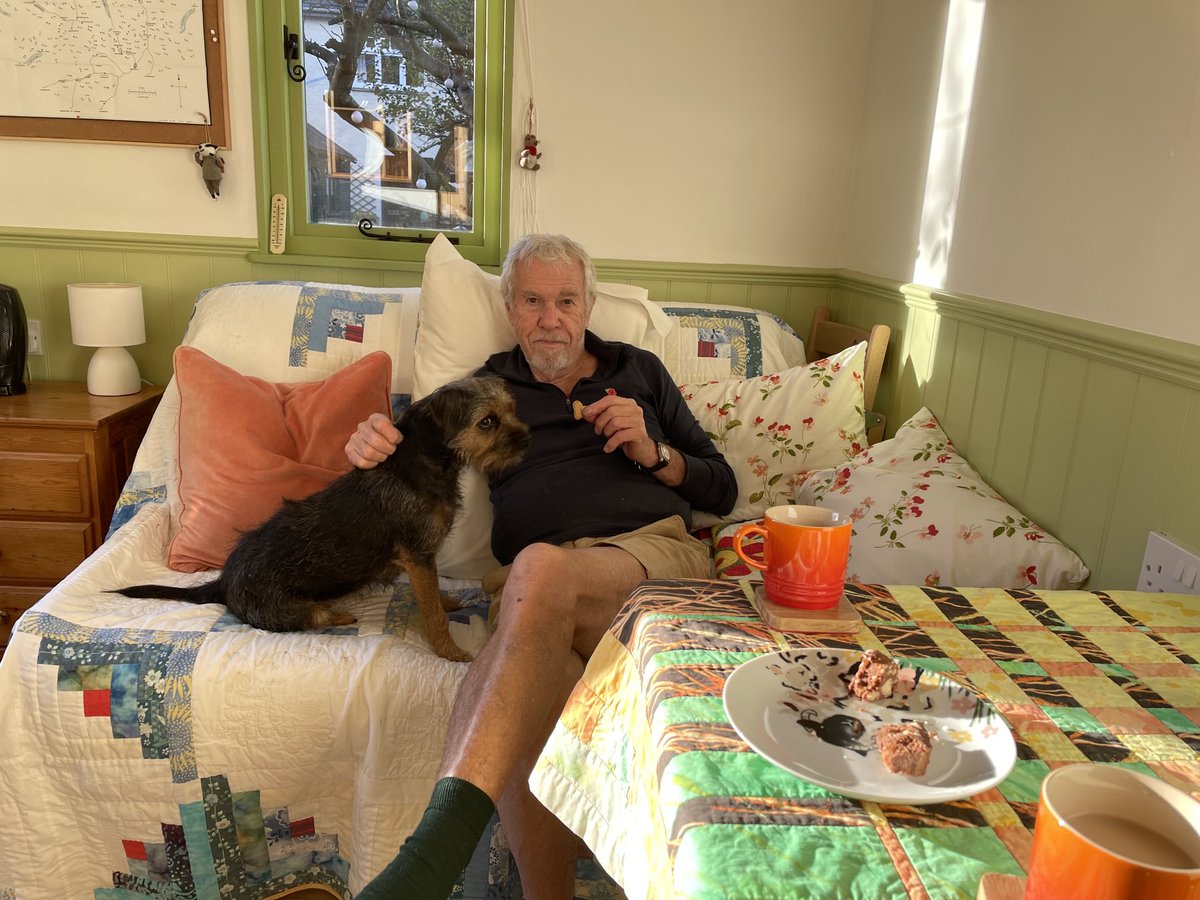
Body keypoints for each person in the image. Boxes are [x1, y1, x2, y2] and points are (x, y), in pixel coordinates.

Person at [348, 234, 737, 899]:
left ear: (587, 304)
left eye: (565, 300)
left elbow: (720, 488)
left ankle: (428, 862)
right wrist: (369, 442)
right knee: (528, 668)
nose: (549, 317)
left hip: (650, 556)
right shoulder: (484, 391)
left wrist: (652, 452)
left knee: (535, 577)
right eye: (532, 300)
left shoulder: (637, 370)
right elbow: (401, 460)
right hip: (532, 593)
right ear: (509, 306)